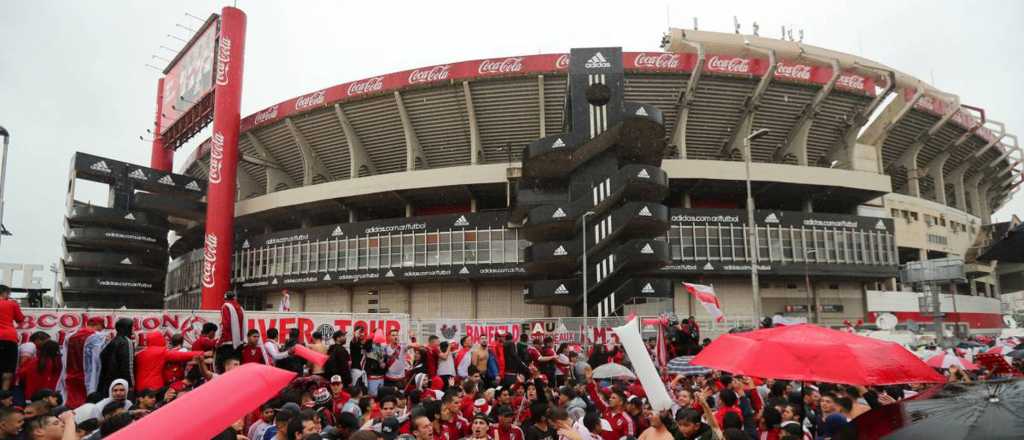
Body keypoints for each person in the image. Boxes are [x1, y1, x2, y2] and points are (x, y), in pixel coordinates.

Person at [134, 331, 203, 392]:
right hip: (155, 386)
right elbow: (182, 355)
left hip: (139, 386)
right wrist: (201, 353)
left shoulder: (140, 353)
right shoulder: (161, 352)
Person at [57, 317, 103, 408]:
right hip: (89, 375)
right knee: (88, 402)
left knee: (71, 401)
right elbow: (98, 357)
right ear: (98, 325)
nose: (101, 330)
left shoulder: (70, 335)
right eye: (101, 327)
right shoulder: (98, 336)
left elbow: (64, 356)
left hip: (71, 374)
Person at [98, 318, 135, 395]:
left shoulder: (114, 340)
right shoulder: (126, 342)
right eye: (132, 327)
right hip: (121, 383)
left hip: (109, 382)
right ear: (127, 328)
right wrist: (131, 384)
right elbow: (128, 365)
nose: (133, 329)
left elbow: (102, 357)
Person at [0, 285, 25, 391]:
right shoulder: (11, 304)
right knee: (8, 370)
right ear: (4, 293)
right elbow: (20, 319)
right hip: (9, 338)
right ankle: (4, 398)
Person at [217, 291, 245, 373]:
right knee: (236, 369)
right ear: (234, 298)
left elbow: (225, 325)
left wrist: (219, 342)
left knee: (224, 369)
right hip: (239, 343)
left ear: (225, 299)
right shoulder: (240, 307)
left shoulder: (225, 306)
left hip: (227, 343)